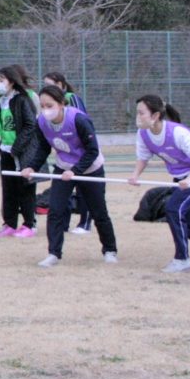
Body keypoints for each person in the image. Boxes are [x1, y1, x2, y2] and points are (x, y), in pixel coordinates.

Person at [128, 95, 190, 272]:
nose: (138, 117)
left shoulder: (178, 133)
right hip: (180, 177)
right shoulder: (143, 134)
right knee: (186, 218)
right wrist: (135, 175)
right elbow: (143, 157)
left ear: (155, 116)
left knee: (174, 209)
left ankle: (182, 258)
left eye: (141, 113)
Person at [34, 84, 118, 267]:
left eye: (50, 105)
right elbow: (43, 148)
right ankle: (54, 253)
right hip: (63, 167)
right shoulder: (41, 122)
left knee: (99, 211)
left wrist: (76, 171)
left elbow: (93, 150)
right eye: (42, 106)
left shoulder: (78, 119)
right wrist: (31, 166)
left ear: (61, 104)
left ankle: (110, 250)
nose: (45, 110)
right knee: (55, 210)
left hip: (90, 169)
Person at [0, 65, 40, 238]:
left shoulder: (22, 100)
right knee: (8, 188)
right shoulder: (1, 101)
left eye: (1, 80)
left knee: (25, 188)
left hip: (20, 152)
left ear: (11, 82)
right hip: (6, 151)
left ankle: (29, 224)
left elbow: (30, 125)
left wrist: (17, 147)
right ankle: (9, 223)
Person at [42, 72, 92, 235]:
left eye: (52, 85)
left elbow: (81, 121)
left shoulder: (72, 99)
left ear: (62, 85)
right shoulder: (46, 108)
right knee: (62, 192)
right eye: (46, 85)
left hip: (81, 156)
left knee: (85, 189)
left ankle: (85, 223)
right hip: (64, 157)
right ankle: (63, 224)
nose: (49, 88)